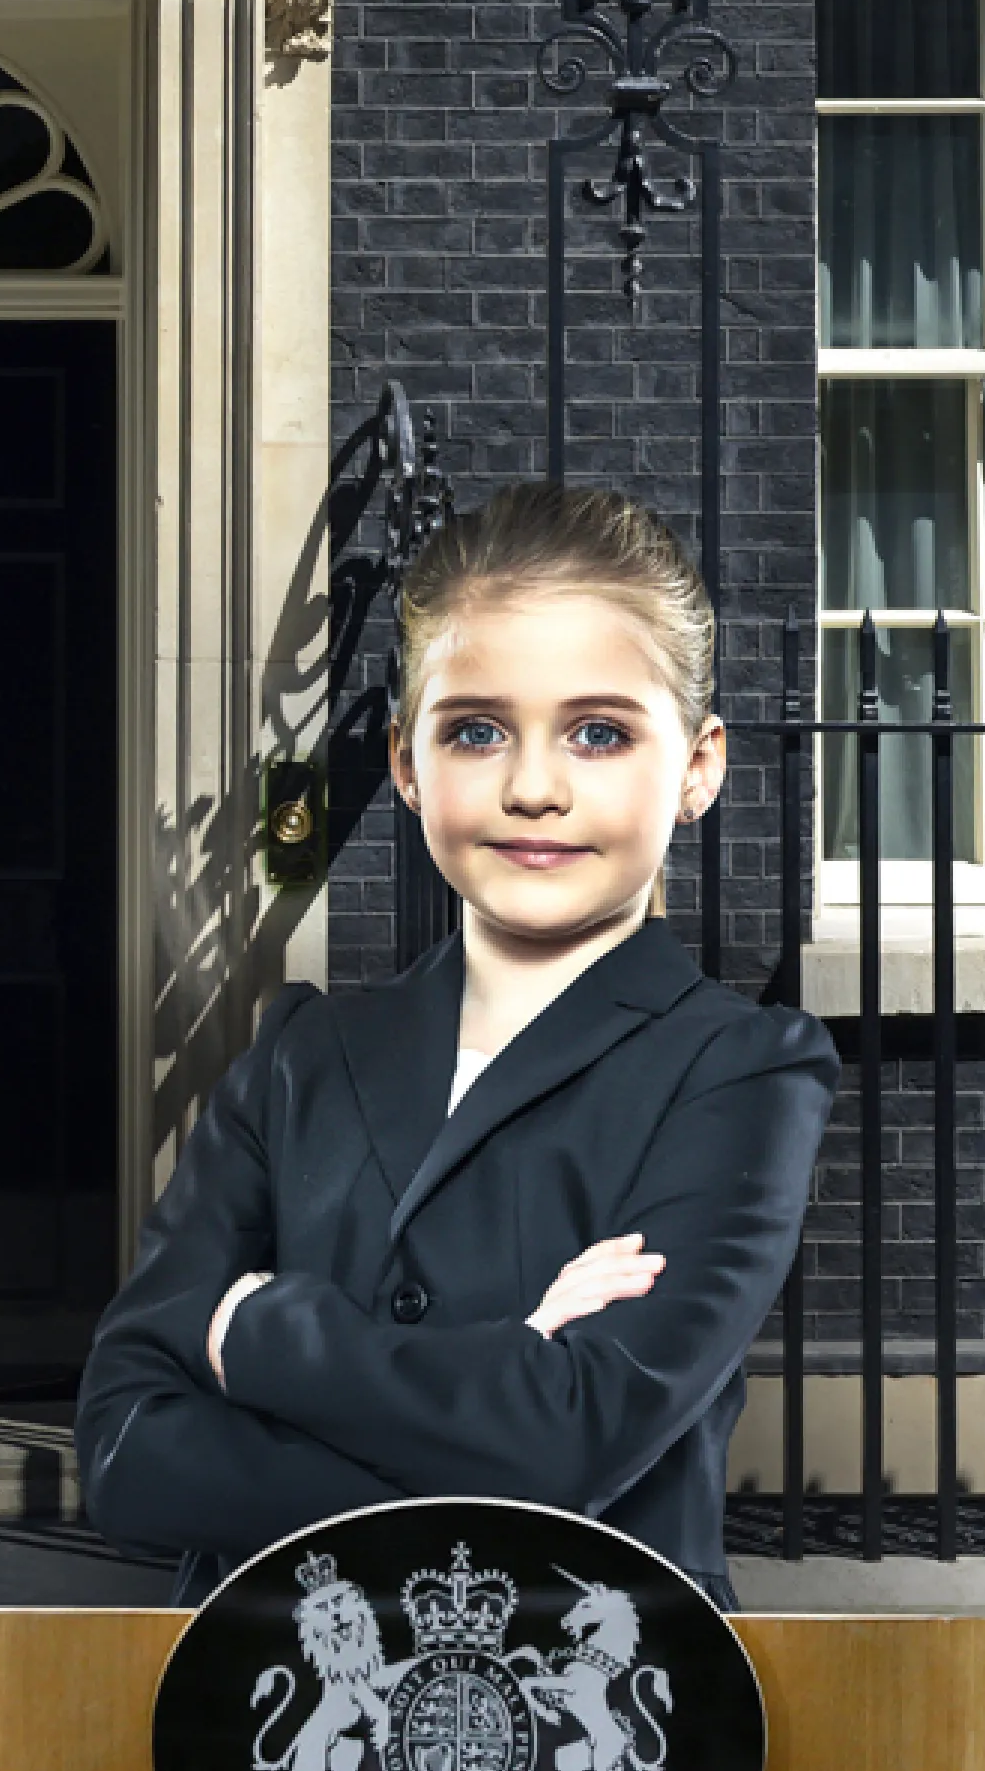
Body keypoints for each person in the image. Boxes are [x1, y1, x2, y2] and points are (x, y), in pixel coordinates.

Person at [73, 481, 841, 1615]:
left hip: (598, 1701)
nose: (533, 786)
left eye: (598, 732)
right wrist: (506, 1375)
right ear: (402, 762)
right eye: (475, 730)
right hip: (276, 1700)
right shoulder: (298, 1055)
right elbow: (126, 1449)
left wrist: (254, 1331)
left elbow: (569, 1440)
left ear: (696, 767)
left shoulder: (741, 1072)